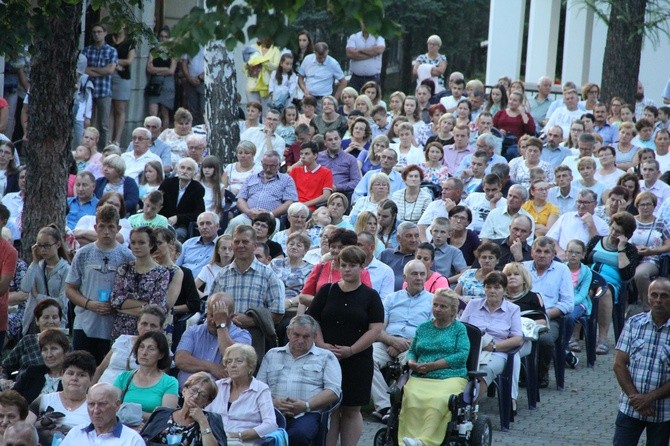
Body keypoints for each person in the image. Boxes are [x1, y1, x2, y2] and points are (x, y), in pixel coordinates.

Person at [307, 246, 384, 446]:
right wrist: (321, 344)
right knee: (330, 408)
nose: (347, 269)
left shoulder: (371, 296)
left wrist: (351, 350)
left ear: (362, 267)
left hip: (357, 359)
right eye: (344, 265)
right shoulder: (327, 291)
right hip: (327, 357)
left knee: (351, 408)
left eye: (352, 265)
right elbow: (312, 320)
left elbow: (375, 329)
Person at [257, 315, 341, 446]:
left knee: (297, 435)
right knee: (261, 434)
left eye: (306, 336)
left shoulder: (326, 357)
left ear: (314, 336)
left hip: (308, 413)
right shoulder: (272, 354)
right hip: (272, 411)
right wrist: (273, 403)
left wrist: (306, 405)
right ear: (288, 333)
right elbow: (259, 388)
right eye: (296, 335)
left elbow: (333, 391)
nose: (300, 340)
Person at [398, 289, 468, 446]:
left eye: (443, 306)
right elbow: (412, 352)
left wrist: (433, 365)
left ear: (453, 311)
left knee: (438, 401)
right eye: (435, 305)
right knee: (412, 398)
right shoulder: (423, 328)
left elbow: (462, 355)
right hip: (421, 375)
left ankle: (424, 441)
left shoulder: (459, 329)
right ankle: (407, 439)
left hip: (450, 375)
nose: (437, 309)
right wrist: (411, 363)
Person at [66, 204, 134, 364]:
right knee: (81, 366)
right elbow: (70, 288)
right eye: (102, 226)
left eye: (111, 227)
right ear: (95, 227)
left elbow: (132, 289)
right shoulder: (83, 253)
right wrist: (89, 304)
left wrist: (117, 305)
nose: (106, 231)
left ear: (117, 228)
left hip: (113, 325)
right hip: (85, 322)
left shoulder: (127, 256)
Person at [370, 260, 433, 422]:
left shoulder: (433, 301)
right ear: (405, 277)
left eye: (422, 274)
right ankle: (385, 406)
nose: (419, 278)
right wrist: (392, 341)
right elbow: (377, 328)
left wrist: (404, 344)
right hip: (386, 342)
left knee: (411, 362)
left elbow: (431, 333)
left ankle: (400, 407)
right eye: (414, 274)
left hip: (414, 345)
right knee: (366, 358)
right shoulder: (391, 298)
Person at [612, 277, 670, 446]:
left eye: (665, 296)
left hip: (664, 412)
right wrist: (636, 399)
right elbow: (619, 364)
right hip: (630, 407)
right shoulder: (634, 323)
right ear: (648, 297)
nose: (659, 300)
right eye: (654, 295)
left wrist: (649, 398)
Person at [584, 212, 640, 355]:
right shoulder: (596, 240)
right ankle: (573, 336)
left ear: (626, 235)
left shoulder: (630, 250)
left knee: (604, 292)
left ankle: (602, 339)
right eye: (613, 228)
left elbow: (627, 274)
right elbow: (585, 260)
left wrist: (621, 249)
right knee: (583, 290)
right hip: (588, 279)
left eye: (618, 232)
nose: (613, 233)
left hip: (610, 284)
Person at [460, 271, 523, 397]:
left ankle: (470, 407)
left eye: (497, 287)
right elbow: (460, 328)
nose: (492, 291)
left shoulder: (513, 309)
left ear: (504, 290)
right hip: (472, 350)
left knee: (484, 371)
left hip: (497, 352)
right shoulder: (473, 304)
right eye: (488, 287)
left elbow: (518, 339)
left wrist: (493, 347)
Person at [522, 237, 575, 387]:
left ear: (553, 255)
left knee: (545, 340)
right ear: (532, 252)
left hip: (550, 317)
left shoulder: (562, 270)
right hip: (522, 317)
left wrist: (544, 316)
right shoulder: (522, 268)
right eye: (538, 251)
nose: (542, 255)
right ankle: (521, 373)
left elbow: (567, 303)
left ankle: (540, 375)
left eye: (547, 252)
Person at [210, 225, 285, 326]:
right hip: (225, 332)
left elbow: (278, 314)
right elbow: (209, 308)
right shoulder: (222, 275)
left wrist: (252, 321)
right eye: (236, 242)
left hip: (255, 335)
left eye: (245, 242)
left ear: (254, 246)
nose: (240, 245)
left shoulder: (269, 276)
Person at [205, 344, 278, 445]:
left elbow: (270, 424)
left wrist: (239, 435)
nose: (233, 365)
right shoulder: (218, 386)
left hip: (243, 442)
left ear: (250, 366)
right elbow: (204, 414)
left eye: (239, 361)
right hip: (214, 440)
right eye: (229, 361)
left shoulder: (261, 389)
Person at [175, 293, 252, 387]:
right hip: (185, 395)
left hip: (220, 398)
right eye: (211, 315)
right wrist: (211, 367)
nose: (213, 320)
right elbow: (180, 360)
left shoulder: (242, 336)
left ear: (232, 317)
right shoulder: (193, 331)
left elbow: (233, 358)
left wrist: (221, 325)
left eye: (220, 316)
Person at [110, 227, 169, 338]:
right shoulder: (124, 268)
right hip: (121, 330)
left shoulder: (162, 273)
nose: (136, 246)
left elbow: (156, 308)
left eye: (141, 242)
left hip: (148, 332)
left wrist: (125, 309)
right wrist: (145, 304)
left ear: (151, 245)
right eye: (133, 242)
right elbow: (115, 301)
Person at [140, 372, 226, 446]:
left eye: (203, 395)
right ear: (184, 390)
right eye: (194, 390)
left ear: (207, 402)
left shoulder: (212, 420)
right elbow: (143, 441)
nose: (196, 396)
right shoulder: (162, 413)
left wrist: (202, 421)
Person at [226, 150, 298, 235]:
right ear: (261, 163)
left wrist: (270, 214)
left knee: (276, 227)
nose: (268, 169)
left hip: (271, 217)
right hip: (248, 215)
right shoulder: (251, 178)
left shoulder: (287, 180)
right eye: (265, 165)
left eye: (272, 166)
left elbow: (289, 203)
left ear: (279, 165)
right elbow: (240, 199)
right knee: (234, 222)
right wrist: (248, 212)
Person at [297, 228, 371, 309]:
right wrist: (329, 302)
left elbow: (367, 299)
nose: (336, 250)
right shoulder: (320, 268)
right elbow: (303, 297)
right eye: (333, 246)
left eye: (340, 247)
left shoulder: (361, 272)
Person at [92, 305, 165, 385]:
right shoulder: (122, 340)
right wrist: (88, 392)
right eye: (144, 324)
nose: (147, 328)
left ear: (160, 329)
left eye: (153, 326)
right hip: (101, 388)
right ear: (138, 324)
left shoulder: (160, 350)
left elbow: (158, 380)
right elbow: (100, 369)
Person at [113, 331, 178, 420]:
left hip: (151, 431)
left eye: (151, 349)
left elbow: (165, 417)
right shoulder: (123, 377)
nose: (144, 352)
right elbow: (112, 407)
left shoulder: (170, 382)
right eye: (141, 347)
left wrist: (132, 412)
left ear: (161, 355)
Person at [26, 351, 97, 430]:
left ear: (91, 379)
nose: (74, 378)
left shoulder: (95, 407)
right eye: (70, 373)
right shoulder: (44, 400)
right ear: (62, 375)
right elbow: (25, 429)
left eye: (81, 375)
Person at [19, 225, 70, 334]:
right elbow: (24, 288)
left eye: (46, 245)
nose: (42, 249)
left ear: (58, 245)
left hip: (55, 322)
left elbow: (62, 302)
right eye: (39, 245)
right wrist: (34, 262)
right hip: (34, 319)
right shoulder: (36, 266)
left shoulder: (66, 269)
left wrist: (38, 296)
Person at [60, 383, 144, 445]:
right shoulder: (76, 433)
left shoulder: (132, 440)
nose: (96, 410)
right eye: (91, 404)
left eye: (102, 404)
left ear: (117, 405)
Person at [630, 192, 670, 314]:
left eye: (649, 204)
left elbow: (668, 245)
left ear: (654, 206)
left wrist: (652, 251)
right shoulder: (630, 220)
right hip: (629, 256)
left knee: (640, 274)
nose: (646, 207)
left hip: (650, 258)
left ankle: (648, 307)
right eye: (642, 205)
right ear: (637, 206)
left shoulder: (660, 223)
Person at [82, 24, 118, 150]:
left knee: (103, 125)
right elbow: (83, 70)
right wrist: (100, 71)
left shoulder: (111, 51)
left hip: (104, 91)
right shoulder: (86, 50)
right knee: (88, 123)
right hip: (89, 91)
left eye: (99, 32)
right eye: (94, 32)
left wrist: (93, 70)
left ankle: (103, 150)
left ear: (105, 33)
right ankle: (87, 149)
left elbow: (110, 70)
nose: (96, 34)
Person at [546, 189, 609, 260]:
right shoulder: (566, 217)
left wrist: (591, 225)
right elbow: (550, 238)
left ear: (595, 204)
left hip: (586, 261)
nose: (581, 206)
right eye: (579, 202)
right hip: (562, 258)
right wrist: (559, 251)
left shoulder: (602, 224)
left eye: (586, 203)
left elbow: (599, 248)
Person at [12, 329, 69, 404]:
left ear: (65, 351)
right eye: (44, 350)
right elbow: (12, 398)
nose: (49, 355)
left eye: (54, 349)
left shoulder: (71, 377)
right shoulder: (32, 372)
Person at [159, 157, 206, 241]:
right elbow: (157, 203)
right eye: (182, 167)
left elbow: (199, 213)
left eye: (189, 169)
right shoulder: (167, 183)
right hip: (162, 221)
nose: (184, 171)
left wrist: (178, 218)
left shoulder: (198, 188)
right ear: (177, 169)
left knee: (177, 234)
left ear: (194, 173)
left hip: (182, 225)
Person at [146, 27, 178, 131]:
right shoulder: (154, 51)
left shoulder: (173, 52)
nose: (163, 39)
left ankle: (164, 135)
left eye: (166, 37)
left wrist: (156, 70)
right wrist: (164, 69)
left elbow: (171, 71)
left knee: (165, 113)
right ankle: (151, 136)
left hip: (167, 84)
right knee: (152, 114)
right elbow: (149, 68)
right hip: (154, 83)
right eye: (161, 36)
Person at [289, 142, 333, 211]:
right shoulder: (295, 170)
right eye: (301, 154)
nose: (303, 156)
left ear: (315, 155)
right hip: (293, 206)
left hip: (311, 208)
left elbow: (326, 196)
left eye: (307, 154)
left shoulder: (326, 172)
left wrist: (304, 205)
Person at [379, 222, 421, 291]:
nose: (414, 240)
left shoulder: (422, 258)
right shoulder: (386, 254)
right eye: (409, 236)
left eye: (416, 236)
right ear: (398, 238)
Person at [176, 211, 219, 278]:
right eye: (201, 224)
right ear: (198, 227)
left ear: (217, 226)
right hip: (182, 282)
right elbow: (176, 265)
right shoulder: (188, 243)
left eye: (208, 223)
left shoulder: (220, 246)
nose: (204, 227)